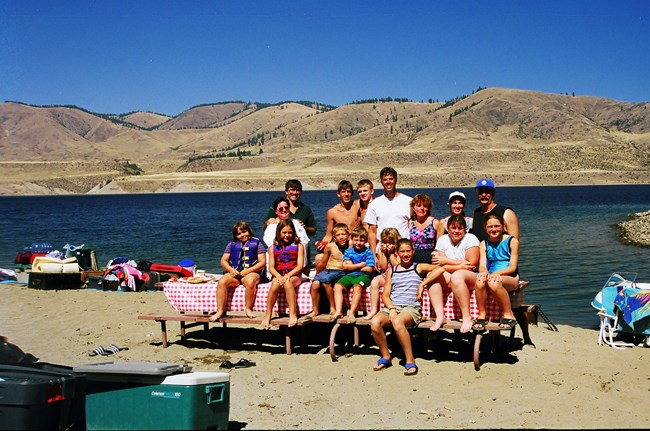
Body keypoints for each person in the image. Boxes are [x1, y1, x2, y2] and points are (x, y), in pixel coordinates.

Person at [370, 238, 444, 376]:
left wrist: (423, 284)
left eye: (408, 251)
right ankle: (386, 356)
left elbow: (440, 269)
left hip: (411, 308)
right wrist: (391, 309)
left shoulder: (418, 267)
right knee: (375, 322)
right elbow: (386, 295)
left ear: (413, 251)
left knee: (398, 322)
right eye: (402, 251)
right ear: (397, 253)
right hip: (393, 306)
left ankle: (410, 360)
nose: (405, 254)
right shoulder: (393, 270)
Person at [430, 214, 480, 332]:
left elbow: (471, 264)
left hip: (471, 277)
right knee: (432, 276)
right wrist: (460, 265)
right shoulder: (443, 239)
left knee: (458, 276)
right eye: (453, 228)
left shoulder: (471, 238)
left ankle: (467, 317)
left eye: (460, 228)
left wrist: (446, 261)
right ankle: (440, 316)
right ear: (448, 228)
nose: (456, 231)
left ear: (465, 229)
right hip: (452, 275)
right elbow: (439, 264)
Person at [210, 221, 268, 322]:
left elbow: (262, 262)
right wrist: (231, 270)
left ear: (249, 231)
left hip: (252, 273)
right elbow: (223, 261)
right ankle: (220, 311)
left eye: (244, 232)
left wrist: (248, 271)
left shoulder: (257, 243)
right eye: (238, 234)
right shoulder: (231, 245)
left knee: (250, 281)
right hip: (235, 274)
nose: (242, 235)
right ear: (235, 235)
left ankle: (248, 309)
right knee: (222, 281)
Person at [473, 213, 520, 331]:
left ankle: (508, 314)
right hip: (492, 275)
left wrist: (496, 274)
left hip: (509, 276)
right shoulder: (484, 243)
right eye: (490, 227)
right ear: (485, 228)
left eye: (497, 226)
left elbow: (513, 267)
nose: (493, 229)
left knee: (493, 282)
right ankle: (482, 315)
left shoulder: (512, 241)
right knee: (479, 281)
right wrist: (484, 273)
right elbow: (482, 266)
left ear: (503, 226)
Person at [264, 179, 317, 273]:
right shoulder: (274, 209)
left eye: (297, 190)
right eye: (292, 190)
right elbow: (266, 230)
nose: (295, 193)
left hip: (299, 261)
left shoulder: (305, 209)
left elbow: (311, 234)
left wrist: (303, 227)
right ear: (286, 191)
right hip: (280, 264)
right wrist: (268, 222)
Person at [261, 219, 305, 329]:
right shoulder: (272, 248)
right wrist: (279, 276)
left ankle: (292, 314)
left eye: (290, 233)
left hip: (295, 275)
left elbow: (300, 266)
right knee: (275, 284)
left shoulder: (299, 246)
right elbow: (271, 267)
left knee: (288, 283)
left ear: (293, 233)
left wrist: (287, 276)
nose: (287, 235)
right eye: (284, 233)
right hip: (278, 274)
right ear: (279, 233)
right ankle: (268, 314)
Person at [363, 167, 412, 259]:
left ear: (396, 180)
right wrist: (373, 255)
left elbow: (412, 227)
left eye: (391, 179)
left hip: (403, 252)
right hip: (383, 252)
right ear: (381, 182)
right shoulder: (375, 204)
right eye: (385, 179)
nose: (388, 182)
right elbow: (372, 231)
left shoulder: (408, 201)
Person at [305, 223, 350, 320]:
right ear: (334, 237)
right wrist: (317, 274)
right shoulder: (330, 246)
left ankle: (332, 307)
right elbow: (323, 262)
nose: (341, 237)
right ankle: (315, 310)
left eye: (343, 234)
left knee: (325, 281)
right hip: (328, 270)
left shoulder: (350, 245)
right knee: (315, 284)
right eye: (338, 235)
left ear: (348, 235)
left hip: (340, 271)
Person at [333, 226, 375, 322]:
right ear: (352, 239)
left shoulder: (368, 252)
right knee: (337, 286)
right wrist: (361, 265)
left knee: (357, 287)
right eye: (356, 240)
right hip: (349, 275)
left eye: (361, 240)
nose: (358, 243)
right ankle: (338, 311)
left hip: (364, 277)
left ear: (366, 241)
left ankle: (351, 313)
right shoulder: (348, 252)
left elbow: (369, 269)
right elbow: (345, 267)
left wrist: (353, 266)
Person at [313, 180, 360, 268]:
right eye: (343, 192)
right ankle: (319, 279)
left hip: (356, 245)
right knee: (319, 258)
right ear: (338, 194)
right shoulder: (332, 212)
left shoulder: (358, 205)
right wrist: (322, 244)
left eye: (349, 191)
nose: (346, 194)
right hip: (340, 246)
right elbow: (329, 235)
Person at [363, 227, 401, 321]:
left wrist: (391, 254)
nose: (387, 245)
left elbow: (397, 266)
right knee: (375, 282)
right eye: (385, 242)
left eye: (391, 243)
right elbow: (383, 267)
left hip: (398, 274)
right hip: (386, 274)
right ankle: (373, 310)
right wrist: (384, 253)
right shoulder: (380, 250)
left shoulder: (400, 250)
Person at [263, 197, 310, 268]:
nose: (284, 210)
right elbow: (272, 247)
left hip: (300, 267)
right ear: (276, 211)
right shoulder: (271, 226)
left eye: (286, 208)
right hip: (279, 267)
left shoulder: (297, 223)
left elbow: (306, 243)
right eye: (281, 209)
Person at [408, 193, 440, 264]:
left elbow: (440, 244)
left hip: (430, 257)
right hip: (414, 258)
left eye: (425, 206)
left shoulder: (435, 222)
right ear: (413, 208)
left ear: (428, 208)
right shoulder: (410, 222)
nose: (422, 208)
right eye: (418, 206)